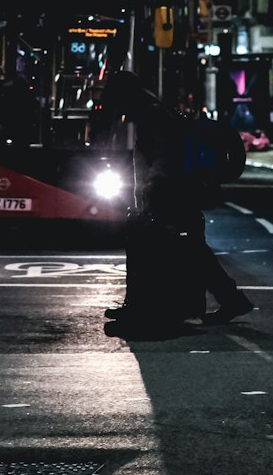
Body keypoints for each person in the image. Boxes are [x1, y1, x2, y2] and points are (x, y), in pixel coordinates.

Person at [103, 69, 254, 329]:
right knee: (193, 249)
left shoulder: (150, 114)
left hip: (169, 194)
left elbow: (163, 156)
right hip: (177, 191)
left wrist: (152, 185)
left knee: (155, 248)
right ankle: (228, 299)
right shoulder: (156, 109)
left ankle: (143, 307)